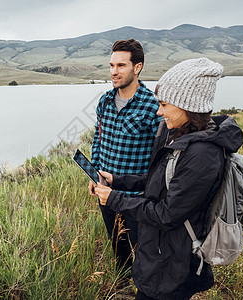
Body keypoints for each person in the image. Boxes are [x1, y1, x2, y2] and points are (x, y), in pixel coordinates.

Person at [95, 57, 243, 299]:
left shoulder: (202, 155)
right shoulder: (180, 136)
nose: (159, 111)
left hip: (172, 264)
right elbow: (158, 181)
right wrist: (117, 180)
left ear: (186, 105)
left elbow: (166, 215)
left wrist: (114, 199)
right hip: (161, 254)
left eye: (164, 104)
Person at [88, 39, 161, 275]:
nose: (113, 72)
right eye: (111, 65)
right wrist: (94, 172)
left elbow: (160, 157)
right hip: (106, 193)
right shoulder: (105, 101)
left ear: (137, 67)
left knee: (143, 253)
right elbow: (98, 139)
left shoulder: (152, 106)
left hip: (136, 199)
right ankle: (120, 285)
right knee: (117, 247)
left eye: (120, 65)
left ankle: (143, 288)